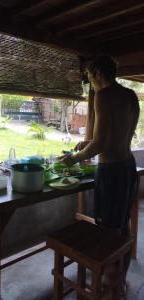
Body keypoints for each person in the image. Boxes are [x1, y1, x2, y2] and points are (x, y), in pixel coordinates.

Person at [60, 55, 140, 294]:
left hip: (111, 170)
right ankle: (120, 278)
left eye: (89, 78)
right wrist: (90, 142)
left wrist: (73, 157)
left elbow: (101, 144)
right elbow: (118, 133)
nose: (91, 84)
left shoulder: (103, 95)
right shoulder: (129, 95)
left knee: (106, 227)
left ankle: (108, 281)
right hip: (127, 164)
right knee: (122, 223)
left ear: (96, 74)